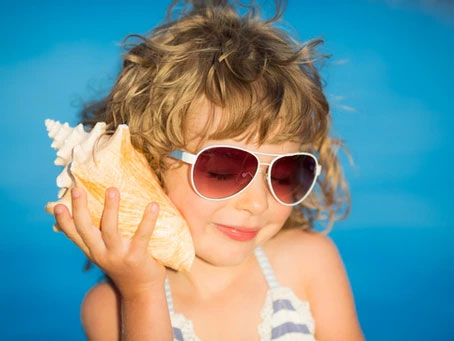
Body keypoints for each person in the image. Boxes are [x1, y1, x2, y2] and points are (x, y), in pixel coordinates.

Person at [52, 0, 364, 340]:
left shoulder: (308, 264)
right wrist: (142, 292)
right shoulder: (111, 305)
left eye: (285, 173)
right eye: (223, 170)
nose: (257, 204)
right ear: (148, 161)